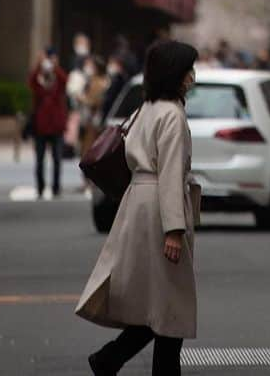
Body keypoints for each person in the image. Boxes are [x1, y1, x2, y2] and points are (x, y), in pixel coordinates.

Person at [77, 39, 200, 376]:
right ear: (175, 73)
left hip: (139, 204)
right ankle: (113, 359)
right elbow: (172, 173)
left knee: (157, 301)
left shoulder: (144, 109)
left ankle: (110, 359)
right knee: (168, 302)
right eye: (188, 68)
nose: (193, 75)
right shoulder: (172, 115)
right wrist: (174, 230)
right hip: (161, 206)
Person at [29, 47, 68, 198]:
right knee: (39, 160)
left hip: (56, 125)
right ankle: (40, 186)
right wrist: (39, 65)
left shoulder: (57, 78)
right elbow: (31, 82)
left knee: (57, 159)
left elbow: (65, 81)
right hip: (40, 126)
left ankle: (56, 187)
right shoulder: (38, 79)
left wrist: (55, 67)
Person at [80, 56, 110, 159]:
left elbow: (94, 100)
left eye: (92, 66)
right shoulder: (94, 80)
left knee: (91, 144)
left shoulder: (100, 82)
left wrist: (82, 99)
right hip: (91, 116)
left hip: (95, 116)